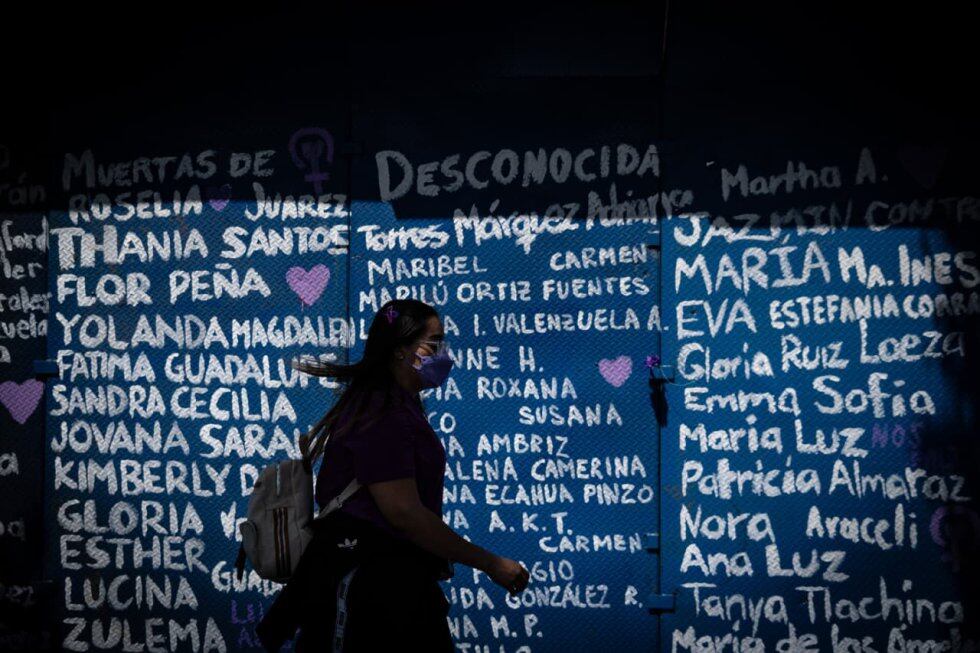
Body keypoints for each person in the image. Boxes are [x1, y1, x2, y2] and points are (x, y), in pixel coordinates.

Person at [256, 298, 530, 652]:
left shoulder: (394, 406)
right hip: (371, 593)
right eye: (433, 343)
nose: (443, 354)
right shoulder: (382, 413)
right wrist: (490, 563)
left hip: (392, 584)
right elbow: (404, 513)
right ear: (401, 351)